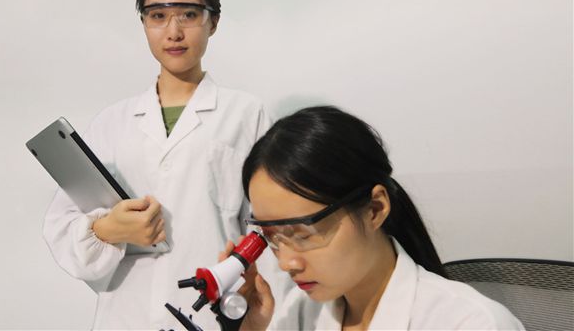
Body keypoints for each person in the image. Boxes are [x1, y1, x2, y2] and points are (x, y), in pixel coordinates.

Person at [43, 0, 273, 330]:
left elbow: (272, 226)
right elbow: (61, 226)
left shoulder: (247, 115)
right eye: (158, 16)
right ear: (144, 23)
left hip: (214, 316)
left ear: (213, 21)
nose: (174, 31)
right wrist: (107, 229)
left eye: (189, 15)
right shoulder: (111, 123)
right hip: (124, 317)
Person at [221, 106, 525, 330]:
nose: (286, 263)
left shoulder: (470, 323)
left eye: (302, 233)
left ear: (375, 209)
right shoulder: (301, 313)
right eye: (272, 237)